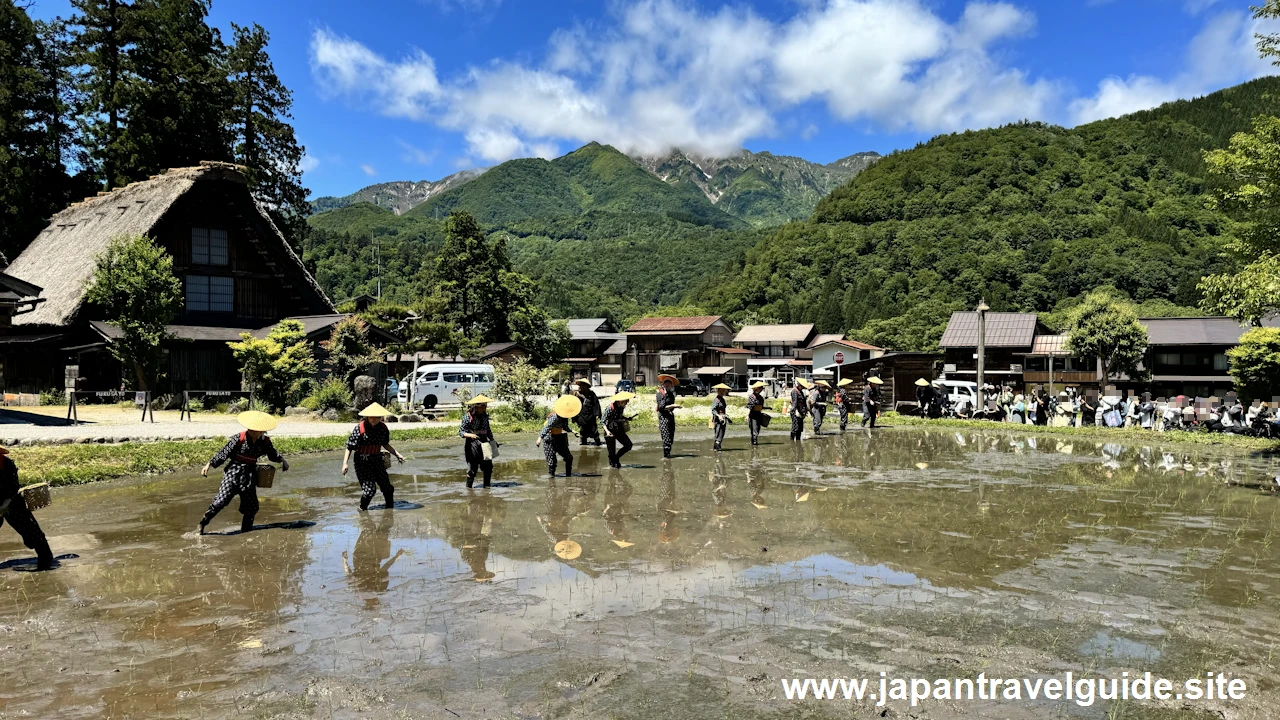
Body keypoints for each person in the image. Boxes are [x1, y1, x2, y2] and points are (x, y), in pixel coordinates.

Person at [200, 411, 288, 535]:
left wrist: (282, 460)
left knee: (251, 507)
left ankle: (246, 532)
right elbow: (223, 453)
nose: (252, 431)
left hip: (249, 475)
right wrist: (209, 465)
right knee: (221, 501)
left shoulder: (265, 442)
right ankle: (204, 522)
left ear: (262, 431)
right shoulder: (239, 438)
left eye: (256, 429)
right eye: (250, 428)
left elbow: (272, 454)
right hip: (233, 473)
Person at [342, 403, 406, 510]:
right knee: (370, 490)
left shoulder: (383, 428)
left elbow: (385, 444)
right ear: (367, 417)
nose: (374, 420)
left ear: (380, 417)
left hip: (377, 460)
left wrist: (397, 454)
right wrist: (345, 463)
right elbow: (349, 447)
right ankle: (362, 509)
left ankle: (390, 510)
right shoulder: (360, 429)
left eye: (377, 417)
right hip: (362, 462)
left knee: (388, 488)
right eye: (371, 417)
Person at [0, 447, 53, 570]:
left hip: (11, 500)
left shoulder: (7, 464)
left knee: (32, 532)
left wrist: (6, 503)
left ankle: (46, 558)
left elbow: (13, 486)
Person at [538, 394, 582, 476]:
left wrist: (572, 431)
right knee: (552, 462)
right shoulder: (555, 417)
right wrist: (540, 438)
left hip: (559, 437)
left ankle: (568, 475)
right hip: (549, 438)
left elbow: (564, 427)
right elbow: (547, 427)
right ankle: (551, 478)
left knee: (569, 458)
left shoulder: (565, 417)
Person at [459, 395, 495, 488]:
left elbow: (488, 429)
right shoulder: (468, 417)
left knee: (488, 467)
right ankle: (469, 488)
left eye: (485, 406)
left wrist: (492, 441)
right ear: (476, 406)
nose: (484, 408)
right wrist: (471, 435)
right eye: (483, 406)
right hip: (472, 444)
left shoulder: (485, 416)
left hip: (484, 442)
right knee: (472, 468)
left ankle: (487, 487)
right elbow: (461, 432)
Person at [602, 391, 635, 468]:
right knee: (611, 452)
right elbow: (602, 421)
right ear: (620, 401)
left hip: (619, 429)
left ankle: (616, 458)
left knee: (628, 445)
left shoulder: (621, 407)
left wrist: (627, 418)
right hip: (610, 430)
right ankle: (613, 465)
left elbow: (619, 416)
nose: (626, 404)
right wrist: (607, 432)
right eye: (625, 402)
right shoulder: (610, 408)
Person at [655, 374, 681, 458]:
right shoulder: (660, 394)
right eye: (666, 383)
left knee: (671, 436)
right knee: (665, 437)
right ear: (663, 384)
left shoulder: (671, 395)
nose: (667, 385)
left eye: (669, 383)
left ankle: (668, 455)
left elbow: (671, 408)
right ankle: (666, 456)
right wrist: (673, 406)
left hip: (670, 416)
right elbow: (661, 407)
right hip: (663, 417)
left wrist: (673, 407)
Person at [572, 379, 603, 446]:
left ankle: (598, 443)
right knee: (583, 432)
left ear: (586, 386)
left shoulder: (591, 394)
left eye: (583, 386)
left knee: (595, 432)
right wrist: (574, 417)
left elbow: (596, 404)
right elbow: (573, 406)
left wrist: (598, 415)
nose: (581, 387)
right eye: (580, 386)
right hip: (581, 417)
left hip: (591, 417)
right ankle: (583, 445)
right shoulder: (576, 395)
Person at [745, 381, 768, 445]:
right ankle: (754, 443)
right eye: (760, 388)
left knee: (758, 429)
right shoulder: (752, 397)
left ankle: (754, 441)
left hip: (758, 414)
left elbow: (761, 406)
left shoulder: (760, 398)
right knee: (754, 430)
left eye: (761, 388)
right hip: (752, 416)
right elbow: (749, 407)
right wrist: (747, 416)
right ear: (756, 389)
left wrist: (767, 408)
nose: (761, 389)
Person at [711, 383, 731, 451]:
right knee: (718, 432)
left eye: (724, 391)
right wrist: (718, 416)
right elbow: (713, 409)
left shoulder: (722, 399)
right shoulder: (716, 400)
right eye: (721, 391)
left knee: (722, 432)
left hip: (723, 418)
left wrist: (727, 418)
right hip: (718, 419)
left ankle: (717, 446)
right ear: (718, 391)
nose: (723, 392)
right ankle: (717, 446)